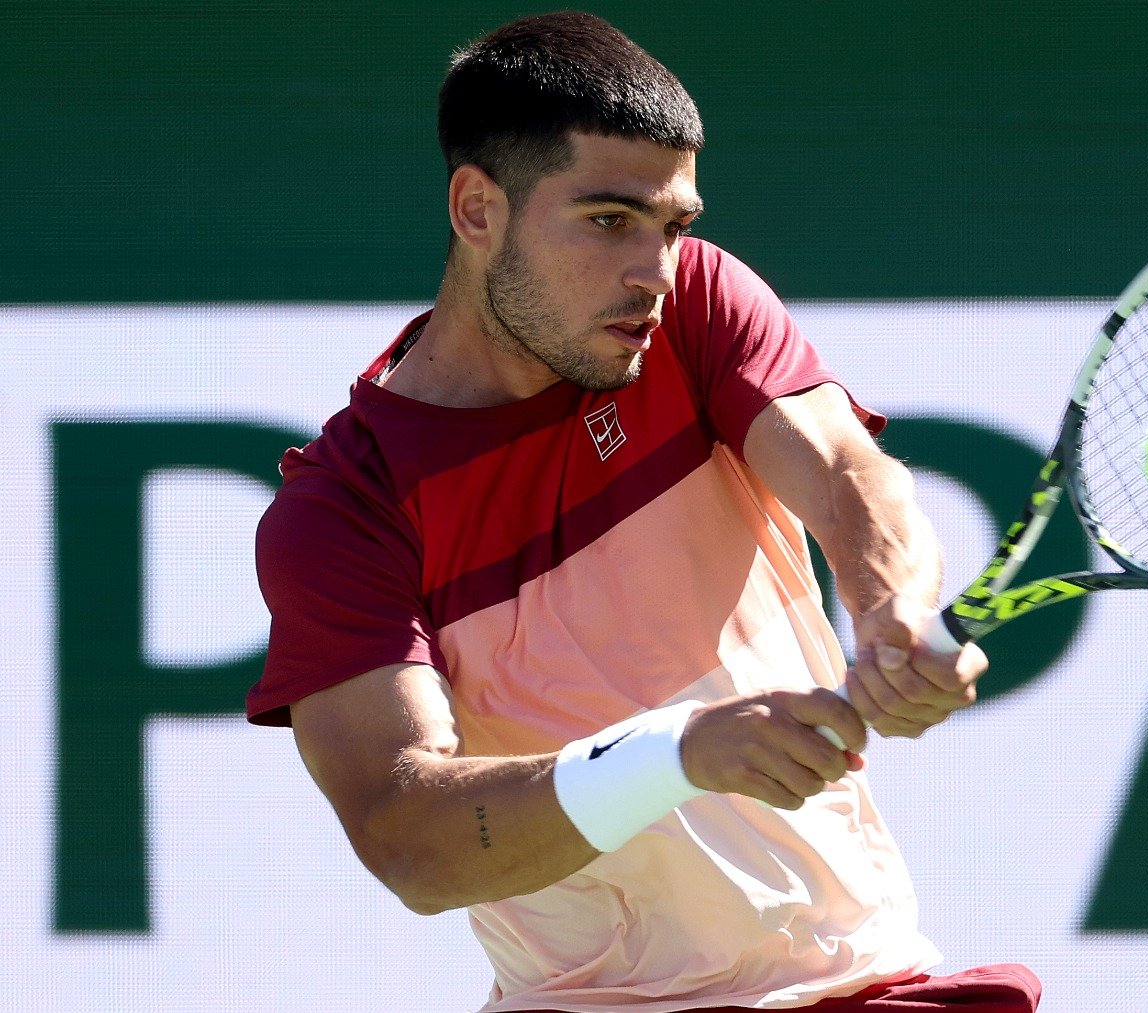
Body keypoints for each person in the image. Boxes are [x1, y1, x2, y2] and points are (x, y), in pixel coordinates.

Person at [246, 10, 1040, 1013]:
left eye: (674, 227)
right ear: (476, 207)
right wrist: (674, 752)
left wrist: (892, 611)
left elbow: (847, 471)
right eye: (610, 220)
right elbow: (409, 836)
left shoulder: (697, 309)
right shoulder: (347, 510)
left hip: (861, 980)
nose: (653, 274)